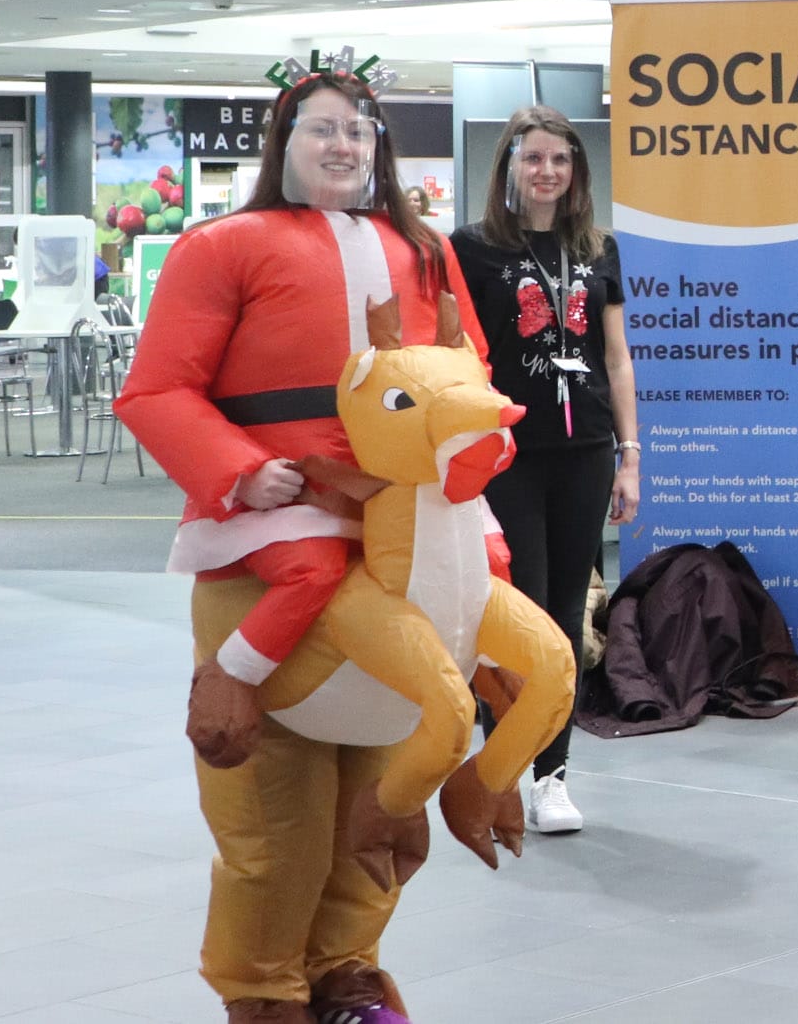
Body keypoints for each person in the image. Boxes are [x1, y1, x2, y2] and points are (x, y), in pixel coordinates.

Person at [118, 67, 485, 1024]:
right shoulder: (221, 247)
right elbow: (157, 390)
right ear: (283, 143)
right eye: (322, 130)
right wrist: (240, 469)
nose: (343, 147)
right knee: (271, 812)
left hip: (401, 548)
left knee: (381, 788)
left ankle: (348, 972)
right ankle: (264, 990)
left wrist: (475, 510)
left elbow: (471, 391)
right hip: (267, 544)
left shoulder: (427, 254)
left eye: (359, 132)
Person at [450, 106, 637, 834]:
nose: (547, 172)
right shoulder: (472, 249)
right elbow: (460, 353)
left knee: (563, 615)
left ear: (576, 172)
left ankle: (552, 775)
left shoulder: (598, 249)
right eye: (533, 159)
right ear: (510, 166)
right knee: (514, 611)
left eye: (560, 160)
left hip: (586, 451)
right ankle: (500, 766)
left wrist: (632, 457)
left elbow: (615, 358)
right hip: (508, 457)